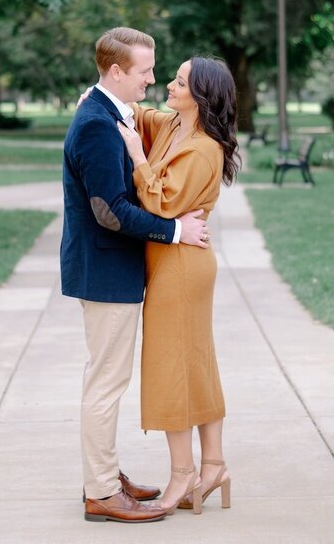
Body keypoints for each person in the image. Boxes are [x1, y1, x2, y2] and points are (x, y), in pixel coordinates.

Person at [61, 27, 212, 524]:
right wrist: (174, 231)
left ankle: (103, 476)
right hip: (106, 271)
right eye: (145, 71)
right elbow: (109, 211)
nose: (152, 79)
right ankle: (102, 492)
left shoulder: (109, 113)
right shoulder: (97, 125)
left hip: (113, 271)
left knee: (107, 380)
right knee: (106, 383)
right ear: (116, 71)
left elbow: (151, 122)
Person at [115, 56, 240, 515]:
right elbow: (142, 115)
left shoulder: (204, 147)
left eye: (180, 82)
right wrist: (103, 95)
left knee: (172, 369)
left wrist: (136, 157)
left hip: (182, 266)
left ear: (200, 96)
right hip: (174, 262)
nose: (168, 84)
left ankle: (184, 474)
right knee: (196, 363)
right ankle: (215, 466)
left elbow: (163, 201)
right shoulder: (175, 126)